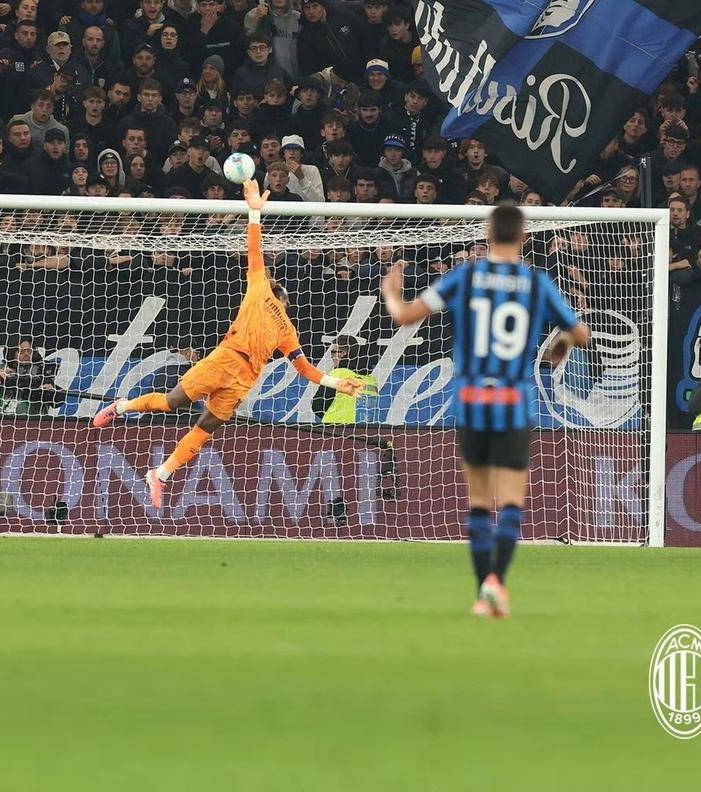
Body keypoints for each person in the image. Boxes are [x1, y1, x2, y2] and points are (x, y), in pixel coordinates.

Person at [92, 180, 362, 508]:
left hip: (245, 379)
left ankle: (160, 475)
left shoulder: (288, 330)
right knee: (172, 402)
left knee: (206, 427)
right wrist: (254, 212)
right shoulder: (259, 288)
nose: (281, 289)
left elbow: (304, 368)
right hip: (226, 358)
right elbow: (254, 249)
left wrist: (336, 383)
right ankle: (121, 407)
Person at [380, 204, 591, 618]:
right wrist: (560, 346)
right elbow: (580, 333)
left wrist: (391, 290)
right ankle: (497, 582)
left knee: (479, 501)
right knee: (510, 501)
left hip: (473, 401)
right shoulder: (536, 282)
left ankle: (482, 594)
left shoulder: (466, 276)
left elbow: (403, 315)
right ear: (524, 237)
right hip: (514, 403)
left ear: (488, 235)